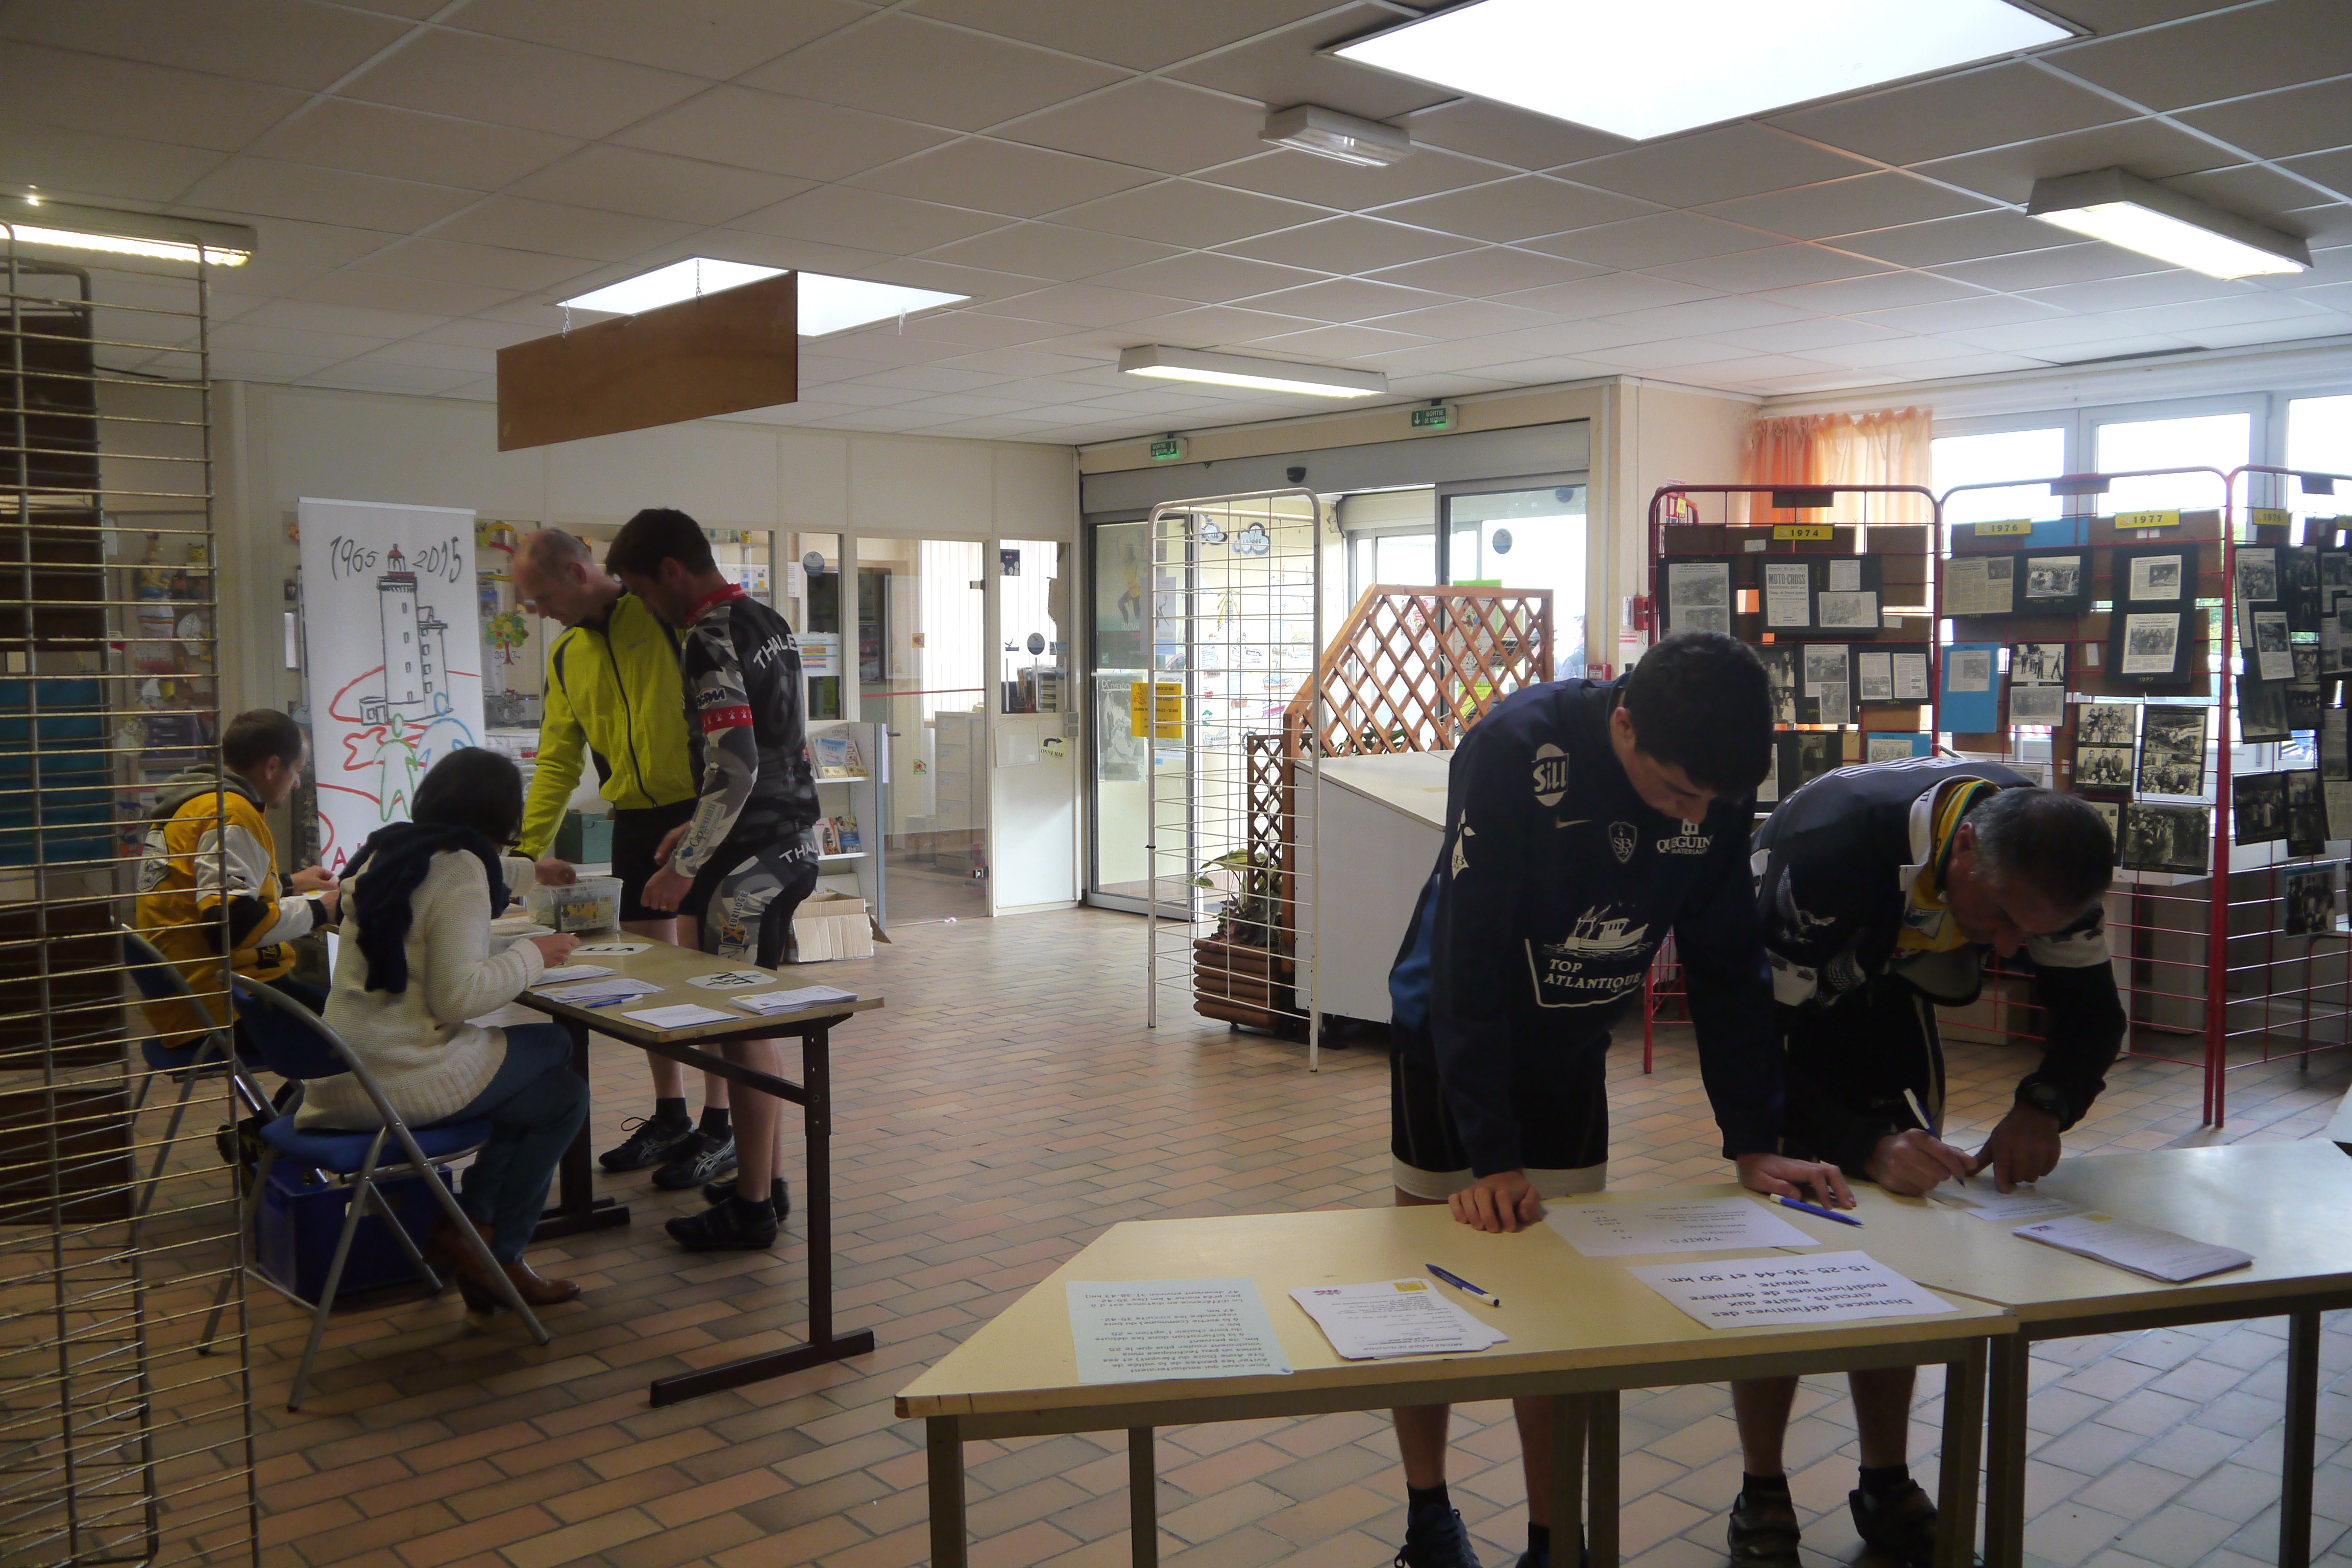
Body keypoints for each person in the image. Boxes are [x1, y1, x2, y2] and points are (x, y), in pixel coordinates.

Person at [1382, 633, 1852, 1568]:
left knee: (1561, 1306)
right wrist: (1490, 1157)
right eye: (1675, 793)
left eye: (1713, 803)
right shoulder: (1516, 748)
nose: (1695, 816)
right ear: (1625, 723)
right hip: (1449, 1039)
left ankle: (1553, 1538)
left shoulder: (1713, 779)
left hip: (1568, 1040)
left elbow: (1727, 964)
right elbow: (1469, 958)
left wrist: (1752, 1139)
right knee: (1431, 1283)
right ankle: (1427, 1516)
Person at [1727, 761, 2122, 1567]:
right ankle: (1761, 1489)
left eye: (2031, 934)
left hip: (1895, 998)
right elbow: (1752, 1044)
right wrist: (1863, 1144)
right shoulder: (1829, 847)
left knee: (1901, 1254)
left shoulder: (2048, 856)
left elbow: (2093, 1016)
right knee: (1783, 1255)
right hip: (1786, 1010)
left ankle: (1886, 1482)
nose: (2009, 947)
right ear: (1964, 847)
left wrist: (2044, 1104)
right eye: (2002, 917)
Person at [296, 747, 585, 1309]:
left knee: (562, 1096)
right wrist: (536, 954)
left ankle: (478, 1237)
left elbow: (442, 907)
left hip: (341, 1073)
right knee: (555, 1045)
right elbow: (458, 998)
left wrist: (533, 874)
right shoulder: (463, 871)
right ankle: (489, 1244)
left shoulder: (390, 854)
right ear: (505, 815)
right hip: (399, 1078)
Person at [605, 506, 823, 1252]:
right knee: (748, 1027)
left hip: (749, 864)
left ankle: (753, 1208)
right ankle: (765, 1181)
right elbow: (770, 751)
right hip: (787, 843)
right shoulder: (767, 620)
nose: (643, 606)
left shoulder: (707, 635)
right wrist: (695, 829)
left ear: (671, 572)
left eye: (641, 590)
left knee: (741, 1031)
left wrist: (685, 862)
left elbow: (735, 764)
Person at [508, 528, 739, 1195]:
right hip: (634, 820)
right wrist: (525, 854)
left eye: (542, 597)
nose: (538, 612)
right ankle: (671, 1114)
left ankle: (719, 1125)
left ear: (578, 573)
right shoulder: (566, 656)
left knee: (704, 978)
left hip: (698, 813)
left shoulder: (664, 620)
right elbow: (558, 760)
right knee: (650, 980)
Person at [136, 708, 340, 1053]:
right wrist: (322, 910)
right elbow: (231, 926)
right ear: (272, 766)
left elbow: (206, 890)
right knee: (362, 1025)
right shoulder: (233, 814)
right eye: (297, 770)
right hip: (222, 1007)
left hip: (188, 997)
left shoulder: (196, 803)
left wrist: (290, 884)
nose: (297, 784)